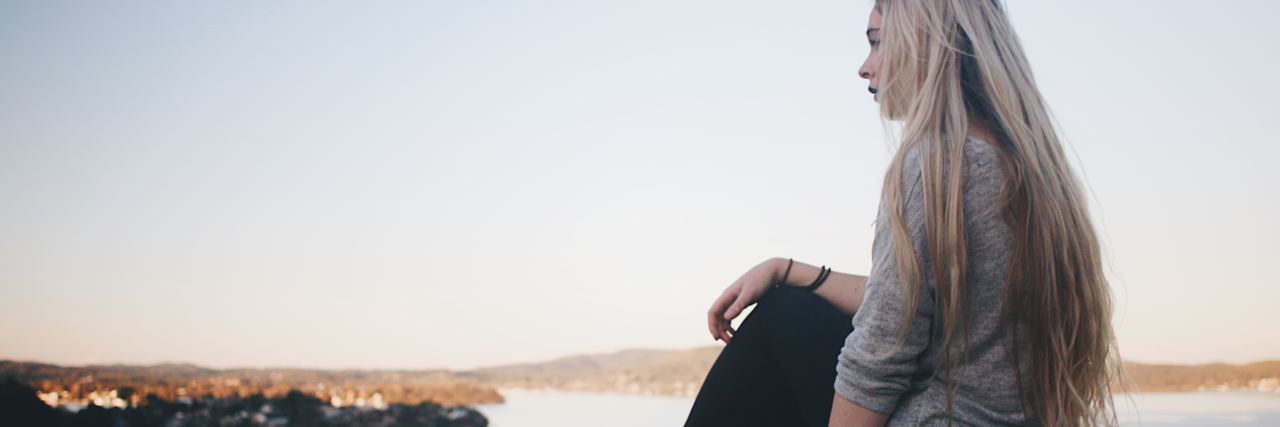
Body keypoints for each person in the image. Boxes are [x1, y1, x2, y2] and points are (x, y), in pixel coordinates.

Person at [684, 0, 1125, 426]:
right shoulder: (1027, 165)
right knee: (791, 303)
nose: (864, 65)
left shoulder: (937, 165)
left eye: (877, 42)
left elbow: (878, 359)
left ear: (925, 43)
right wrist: (787, 269)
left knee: (781, 318)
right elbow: (905, 304)